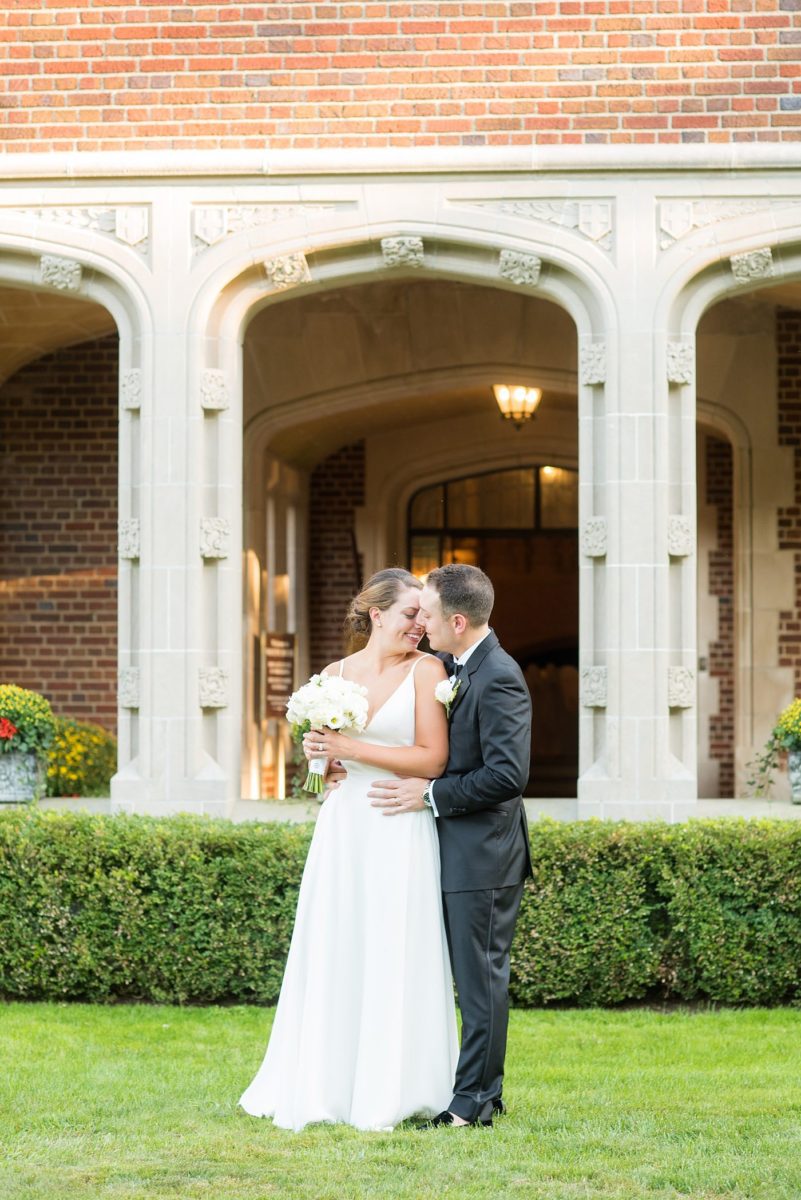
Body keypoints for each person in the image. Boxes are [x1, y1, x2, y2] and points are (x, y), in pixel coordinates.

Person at [239, 568, 458, 1132]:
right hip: (343, 827)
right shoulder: (333, 676)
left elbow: (433, 758)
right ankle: (324, 1081)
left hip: (397, 822)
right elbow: (320, 763)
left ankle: (395, 1084)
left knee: (394, 942)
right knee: (337, 942)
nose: (420, 625)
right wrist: (322, 763)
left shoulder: (426, 670)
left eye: (425, 616)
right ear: (377, 614)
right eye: (411, 614)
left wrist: (349, 746)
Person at [369, 563, 532, 1129]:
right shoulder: (451, 664)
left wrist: (431, 793)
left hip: (483, 855)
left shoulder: (500, 676)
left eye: (430, 615)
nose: (422, 623)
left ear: (458, 621)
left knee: (480, 979)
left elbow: (507, 776)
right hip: (448, 849)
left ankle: (474, 1103)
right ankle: (471, 1087)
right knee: (460, 976)